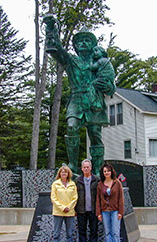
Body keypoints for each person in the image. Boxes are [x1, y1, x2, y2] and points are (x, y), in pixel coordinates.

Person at [43, 14, 115, 176]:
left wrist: (108, 86)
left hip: (94, 100)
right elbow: (57, 50)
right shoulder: (71, 60)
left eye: (87, 41)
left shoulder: (101, 62)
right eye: (80, 41)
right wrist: (51, 28)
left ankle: (97, 169)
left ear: (93, 45)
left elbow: (111, 86)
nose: (83, 43)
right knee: (71, 126)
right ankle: (73, 166)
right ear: (75, 45)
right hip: (76, 99)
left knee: (95, 134)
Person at [96, 163, 124, 242]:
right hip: (105, 211)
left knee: (115, 232)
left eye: (108, 171)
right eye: (105, 171)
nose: (106, 173)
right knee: (107, 233)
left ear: (111, 172)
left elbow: (121, 198)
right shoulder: (100, 184)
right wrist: (98, 213)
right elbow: (98, 199)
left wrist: (120, 212)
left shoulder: (117, 183)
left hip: (115, 211)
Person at [51, 164, 78, 242]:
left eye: (66, 172)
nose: (64, 174)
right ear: (59, 173)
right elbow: (53, 198)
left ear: (68, 174)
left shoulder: (72, 184)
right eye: (62, 172)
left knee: (69, 234)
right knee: (56, 234)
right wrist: (62, 207)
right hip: (58, 212)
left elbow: (75, 197)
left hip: (69, 213)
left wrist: (69, 207)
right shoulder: (55, 184)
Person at [75, 159, 100, 242]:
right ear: (81, 168)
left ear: (91, 168)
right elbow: (74, 195)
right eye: (84, 167)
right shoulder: (77, 180)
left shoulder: (96, 179)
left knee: (94, 230)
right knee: (82, 230)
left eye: (87, 167)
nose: (86, 169)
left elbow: (99, 195)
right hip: (81, 210)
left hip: (93, 210)